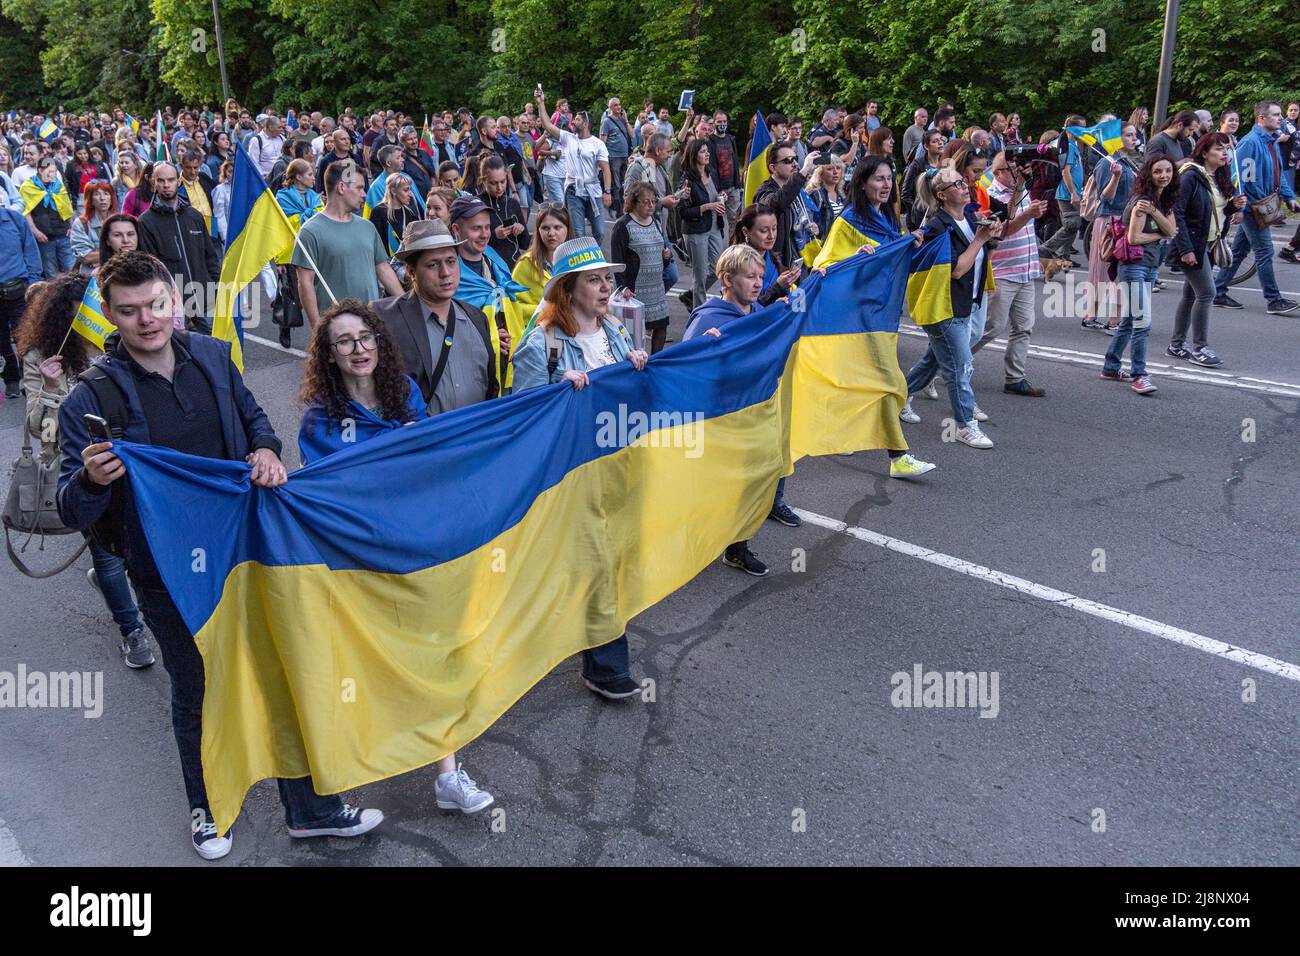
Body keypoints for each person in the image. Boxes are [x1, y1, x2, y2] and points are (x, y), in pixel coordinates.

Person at [56, 251, 385, 859]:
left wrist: (265, 449)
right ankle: (209, 809)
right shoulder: (89, 401)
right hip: (166, 574)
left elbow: (257, 419)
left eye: (157, 304)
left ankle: (310, 811)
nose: (148, 320)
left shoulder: (211, 355)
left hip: (247, 554)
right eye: (129, 312)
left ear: (174, 300)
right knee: (200, 689)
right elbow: (67, 511)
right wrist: (92, 483)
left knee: (284, 672)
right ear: (111, 315)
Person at [511, 237, 648, 700]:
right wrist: (552, 386)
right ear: (568, 290)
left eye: (607, 277)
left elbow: (632, 399)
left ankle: (575, 637)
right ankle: (606, 666)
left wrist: (638, 367)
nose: (606, 286)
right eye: (594, 279)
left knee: (605, 560)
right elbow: (521, 416)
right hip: (572, 475)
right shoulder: (541, 343)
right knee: (596, 565)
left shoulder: (615, 332)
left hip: (616, 466)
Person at [17, 272, 155, 666]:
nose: (92, 324)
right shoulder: (42, 356)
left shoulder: (117, 344)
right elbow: (37, 426)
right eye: (82, 317)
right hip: (85, 467)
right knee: (108, 555)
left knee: (142, 543)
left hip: (135, 458)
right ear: (64, 318)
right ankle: (132, 630)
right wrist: (50, 388)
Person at [807, 158, 937, 480]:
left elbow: (893, 259)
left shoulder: (888, 218)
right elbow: (823, 268)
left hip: (876, 316)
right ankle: (899, 456)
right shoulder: (848, 221)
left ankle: (845, 434)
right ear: (862, 182)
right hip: (853, 319)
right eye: (878, 179)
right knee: (888, 381)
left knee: (862, 382)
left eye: (889, 179)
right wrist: (855, 258)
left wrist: (912, 243)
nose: (886, 185)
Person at [680, 244, 777, 573]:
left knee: (745, 484)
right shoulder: (709, 318)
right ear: (726, 279)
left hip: (748, 415)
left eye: (760, 277)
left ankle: (737, 548)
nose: (757, 283)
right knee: (709, 488)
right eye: (750, 276)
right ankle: (690, 542)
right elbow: (683, 366)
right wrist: (706, 346)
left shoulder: (757, 314)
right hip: (715, 419)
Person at [899, 167, 1001, 448]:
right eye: (957, 183)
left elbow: (981, 253)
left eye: (963, 181)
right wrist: (980, 240)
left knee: (934, 359)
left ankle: (898, 397)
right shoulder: (937, 227)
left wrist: (991, 234)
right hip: (943, 306)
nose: (965, 185)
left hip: (964, 301)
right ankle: (965, 425)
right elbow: (956, 270)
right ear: (942, 195)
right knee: (959, 366)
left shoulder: (969, 216)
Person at [372, 219, 500, 417]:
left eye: (450, 261)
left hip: (475, 440)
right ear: (411, 272)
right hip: (421, 443)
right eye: (433, 265)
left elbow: (490, 388)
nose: (445, 273)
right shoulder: (385, 318)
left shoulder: (477, 318)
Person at [970, 149, 1050, 397]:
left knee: (1024, 327)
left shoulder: (1022, 190)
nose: (1018, 170)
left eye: (1018, 166)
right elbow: (1003, 231)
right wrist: (1028, 214)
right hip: (1002, 271)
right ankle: (947, 362)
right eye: (1012, 168)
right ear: (997, 172)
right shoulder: (991, 195)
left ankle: (1015, 378)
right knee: (990, 327)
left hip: (1025, 270)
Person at [1212, 101, 1300, 315]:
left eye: (1280, 115)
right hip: (1253, 207)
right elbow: (1239, 178)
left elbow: (1276, 174)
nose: (1281, 118)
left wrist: (1289, 198)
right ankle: (1274, 300)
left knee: (1240, 250)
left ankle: (1218, 291)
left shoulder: (1271, 142)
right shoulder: (1251, 143)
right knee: (1265, 251)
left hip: (1262, 204)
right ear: (1261, 118)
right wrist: (1241, 208)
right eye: (1276, 115)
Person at [1100, 155, 1179, 395]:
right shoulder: (1142, 202)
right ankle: (1139, 374)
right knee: (1142, 322)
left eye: (1167, 171)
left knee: (1130, 319)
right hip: (1134, 265)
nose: (1163, 175)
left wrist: (1158, 216)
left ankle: (1111, 367)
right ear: (1149, 174)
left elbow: (1173, 229)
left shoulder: (1160, 201)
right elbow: (1134, 238)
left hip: (1150, 265)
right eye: (1158, 172)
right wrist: (1161, 232)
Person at [293, 160, 402, 328]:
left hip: (371, 323)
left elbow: (383, 269)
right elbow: (305, 283)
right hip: (336, 328)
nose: (364, 194)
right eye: (359, 188)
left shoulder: (367, 227)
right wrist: (317, 329)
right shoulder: (310, 231)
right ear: (342, 187)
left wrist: (406, 304)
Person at [1167, 132, 1242, 367]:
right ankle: (1200, 348)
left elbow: (1213, 210)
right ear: (1204, 152)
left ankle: (1176, 345)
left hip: (1208, 243)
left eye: (1226, 149)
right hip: (1192, 245)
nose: (1225, 153)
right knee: (1207, 293)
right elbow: (1177, 212)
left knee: (1191, 295)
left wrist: (1232, 207)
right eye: (1219, 149)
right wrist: (1185, 249)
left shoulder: (1217, 175)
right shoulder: (1190, 175)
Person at [135, 162, 221, 332]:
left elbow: (209, 254)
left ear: (178, 181)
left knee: (214, 348)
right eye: (161, 180)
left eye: (170, 180)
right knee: (180, 353)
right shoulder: (146, 221)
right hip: (173, 304)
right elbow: (150, 267)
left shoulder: (194, 215)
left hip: (205, 297)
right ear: (153, 182)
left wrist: (216, 285)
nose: (166, 185)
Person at [1082, 123, 1141, 331]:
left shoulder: (1129, 162)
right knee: (1106, 270)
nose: (1134, 139)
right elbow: (1105, 196)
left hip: (1124, 220)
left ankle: (1098, 317)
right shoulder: (1108, 163)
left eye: (1135, 135)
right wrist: (1115, 176)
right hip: (1110, 221)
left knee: (1116, 270)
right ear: (1117, 138)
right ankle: (1105, 319)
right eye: (1128, 135)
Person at [534, 92, 611, 243]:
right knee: (578, 233)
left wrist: (607, 191)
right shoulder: (568, 138)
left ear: (586, 124)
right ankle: (581, 263)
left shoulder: (597, 144)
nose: (573, 121)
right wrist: (540, 102)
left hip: (593, 191)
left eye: (577, 119)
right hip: (573, 191)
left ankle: (593, 257)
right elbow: (548, 126)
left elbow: (606, 169)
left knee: (600, 233)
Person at [610, 181, 671, 353]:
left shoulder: (655, 222)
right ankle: (637, 365)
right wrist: (623, 287)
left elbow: (660, 255)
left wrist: (666, 257)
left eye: (653, 201)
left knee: (661, 326)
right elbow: (617, 259)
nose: (651, 205)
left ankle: (655, 362)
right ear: (634, 203)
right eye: (645, 201)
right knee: (634, 332)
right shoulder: (623, 225)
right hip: (636, 290)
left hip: (656, 288)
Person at [753, 141, 823, 281]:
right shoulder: (765, 192)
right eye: (788, 161)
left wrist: (815, 228)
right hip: (779, 265)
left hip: (801, 261)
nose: (795, 164)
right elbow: (776, 203)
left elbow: (804, 218)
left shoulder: (796, 188)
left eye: (795, 158)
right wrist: (803, 172)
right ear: (773, 167)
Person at [0, 197, 44, 398]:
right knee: (1, 340)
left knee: (24, 336)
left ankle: (28, 378)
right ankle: (10, 378)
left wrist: (33, 283)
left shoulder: (15, 219)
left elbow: (31, 251)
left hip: (19, 290)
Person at [678, 138, 727, 310]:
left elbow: (716, 193)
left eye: (707, 151)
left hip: (714, 225)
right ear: (693, 155)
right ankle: (698, 313)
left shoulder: (711, 172)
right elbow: (683, 211)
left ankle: (690, 295)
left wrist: (722, 196)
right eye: (702, 151)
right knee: (699, 275)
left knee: (717, 267)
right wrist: (707, 206)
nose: (707, 154)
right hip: (696, 229)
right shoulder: (687, 180)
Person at [1038, 115, 1086, 267]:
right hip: (1066, 193)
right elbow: (1066, 171)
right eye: (1081, 128)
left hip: (1074, 192)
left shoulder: (1074, 145)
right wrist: (1073, 193)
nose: (1084, 131)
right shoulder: (1068, 146)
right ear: (1072, 129)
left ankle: (1063, 256)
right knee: (1072, 224)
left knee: (1072, 224)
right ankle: (1045, 249)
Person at [512, 202, 572, 318]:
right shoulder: (526, 264)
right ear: (538, 231)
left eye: (557, 227)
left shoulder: (580, 262)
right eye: (545, 228)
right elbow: (512, 306)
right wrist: (548, 309)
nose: (551, 233)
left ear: (568, 229)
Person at [21, 156, 76, 279]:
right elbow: (26, 212)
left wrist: (72, 226)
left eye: (54, 171)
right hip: (44, 237)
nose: (53, 175)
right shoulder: (28, 187)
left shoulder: (58, 185)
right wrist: (36, 232)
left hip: (64, 234)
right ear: (40, 170)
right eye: (50, 172)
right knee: (50, 273)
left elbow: (67, 207)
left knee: (71, 270)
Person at [477, 153, 528, 266]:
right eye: (493, 183)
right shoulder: (477, 206)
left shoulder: (512, 203)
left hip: (513, 267)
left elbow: (525, 244)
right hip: (489, 267)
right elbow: (471, 244)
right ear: (483, 180)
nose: (499, 187)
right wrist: (494, 235)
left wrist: (521, 230)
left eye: (502, 181)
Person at [368, 170, 420, 260]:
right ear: (393, 191)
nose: (410, 194)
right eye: (406, 190)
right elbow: (374, 244)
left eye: (410, 189)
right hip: (385, 264)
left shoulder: (410, 214)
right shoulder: (378, 212)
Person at [901, 128, 945, 230]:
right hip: (920, 220)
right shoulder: (917, 164)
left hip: (941, 217)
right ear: (926, 146)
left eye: (941, 139)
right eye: (935, 141)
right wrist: (917, 212)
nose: (940, 143)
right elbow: (905, 194)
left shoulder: (946, 163)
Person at [70, 181, 116, 273]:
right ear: (90, 199)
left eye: (106, 194)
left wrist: (101, 259)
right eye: (97, 194)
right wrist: (116, 255)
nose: (102, 198)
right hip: (90, 276)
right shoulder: (81, 223)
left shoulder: (119, 220)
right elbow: (86, 257)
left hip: (116, 274)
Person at [600, 98, 633, 213]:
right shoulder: (606, 121)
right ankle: (618, 210)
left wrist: (626, 120)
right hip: (613, 156)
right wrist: (603, 159)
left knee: (625, 184)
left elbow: (632, 135)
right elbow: (602, 141)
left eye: (619, 105)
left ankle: (624, 207)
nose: (618, 107)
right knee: (617, 185)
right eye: (615, 105)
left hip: (624, 155)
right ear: (610, 108)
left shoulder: (622, 120)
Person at [246, 113, 286, 180]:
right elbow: (254, 161)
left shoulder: (281, 138)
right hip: (266, 179)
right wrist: (262, 177)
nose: (281, 129)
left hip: (281, 177)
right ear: (270, 127)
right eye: (279, 127)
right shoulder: (256, 141)